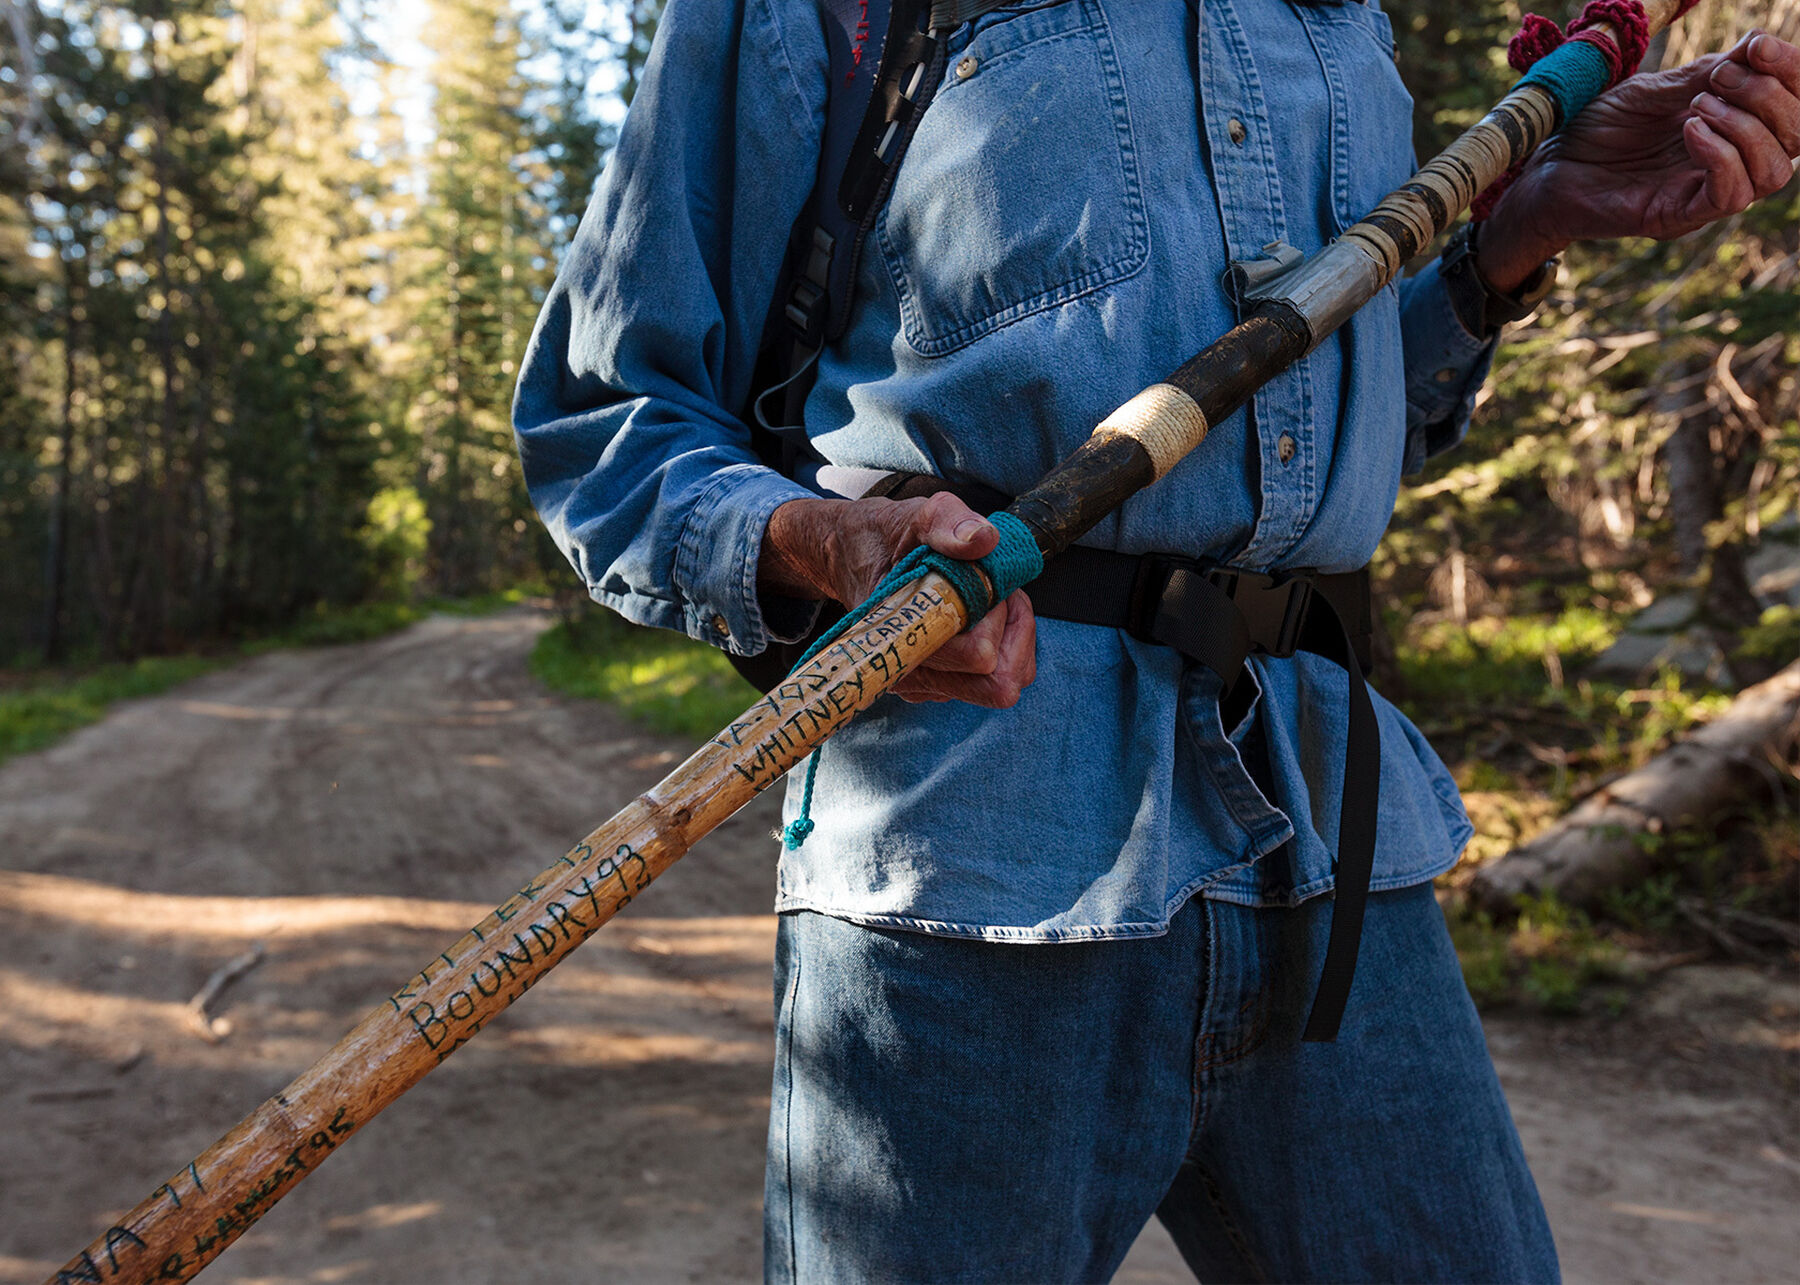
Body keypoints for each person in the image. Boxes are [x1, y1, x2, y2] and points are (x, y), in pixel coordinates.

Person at [513, 3, 1800, 1280]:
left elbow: (1315, 431)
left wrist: (1522, 228)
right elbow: (606, 421)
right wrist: (816, 541)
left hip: (1326, 836)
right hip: (972, 856)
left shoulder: (1339, 20)